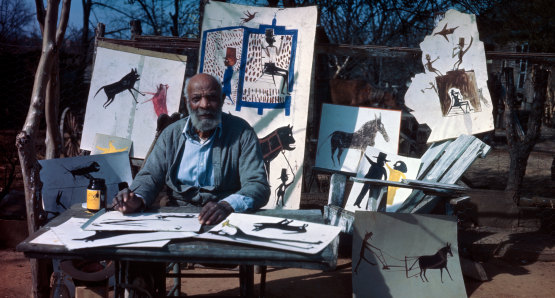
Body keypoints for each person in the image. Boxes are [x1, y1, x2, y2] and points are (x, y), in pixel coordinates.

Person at [113, 73, 271, 225]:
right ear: (187, 103)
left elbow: (257, 185)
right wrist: (135, 198)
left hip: (224, 218)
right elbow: (150, 177)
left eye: (212, 98)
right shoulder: (171, 134)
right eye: (196, 99)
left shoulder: (241, 132)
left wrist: (227, 205)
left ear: (222, 100)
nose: (204, 105)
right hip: (174, 216)